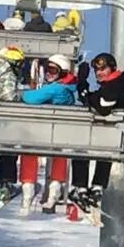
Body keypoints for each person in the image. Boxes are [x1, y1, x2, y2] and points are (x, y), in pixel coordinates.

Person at [70, 52, 124, 202]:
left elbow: (103, 106)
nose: (99, 73)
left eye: (103, 69)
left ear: (112, 69)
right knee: (97, 149)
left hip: (108, 135)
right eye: (97, 70)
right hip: (107, 137)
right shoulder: (112, 85)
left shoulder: (115, 85)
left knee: (83, 148)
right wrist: (83, 86)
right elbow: (94, 99)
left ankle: (84, 186)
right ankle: (92, 187)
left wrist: (87, 94)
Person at [19, 55, 78, 213]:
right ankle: (54, 186)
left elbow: (31, 98)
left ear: (63, 72)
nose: (48, 73)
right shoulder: (69, 87)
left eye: (53, 70)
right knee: (59, 152)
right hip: (58, 132)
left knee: (29, 150)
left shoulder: (56, 88)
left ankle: (29, 187)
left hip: (46, 131)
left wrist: (21, 94)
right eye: (47, 69)